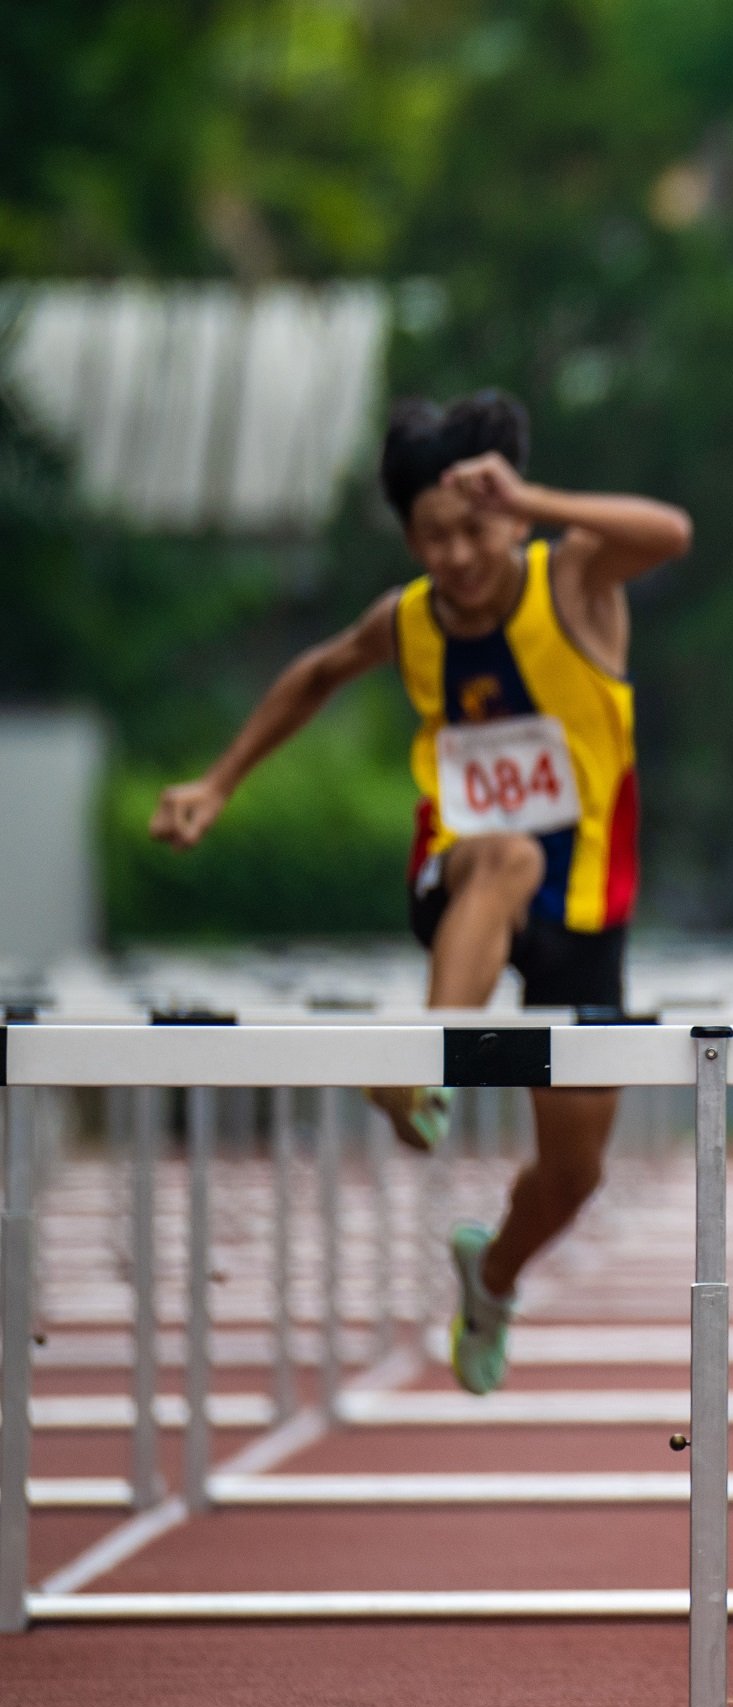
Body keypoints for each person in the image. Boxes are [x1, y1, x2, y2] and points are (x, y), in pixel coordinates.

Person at [149, 390, 692, 1395]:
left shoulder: (569, 577)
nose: (454, 558)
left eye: (474, 528)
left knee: (574, 1173)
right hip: (462, 884)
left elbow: (670, 532)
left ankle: (491, 1275)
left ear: (513, 515)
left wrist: (534, 497)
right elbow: (315, 673)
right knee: (504, 855)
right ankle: (425, 1061)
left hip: (587, 915)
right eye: (430, 537)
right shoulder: (408, 621)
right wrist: (216, 781)